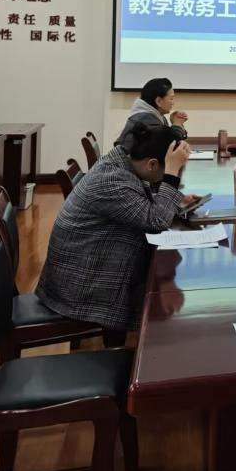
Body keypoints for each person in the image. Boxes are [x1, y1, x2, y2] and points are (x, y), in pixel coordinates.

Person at [36, 125, 196, 333]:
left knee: (167, 276)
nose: (174, 175)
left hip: (85, 268)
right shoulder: (112, 180)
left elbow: (136, 203)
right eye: (170, 171)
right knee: (174, 316)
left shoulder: (121, 165)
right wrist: (171, 178)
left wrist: (175, 201)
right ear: (152, 164)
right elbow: (157, 221)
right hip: (80, 287)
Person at [117, 77, 188, 147]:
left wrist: (176, 123)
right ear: (159, 101)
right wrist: (177, 124)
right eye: (171, 98)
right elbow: (171, 145)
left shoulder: (157, 116)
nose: (173, 103)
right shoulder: (145, 119)